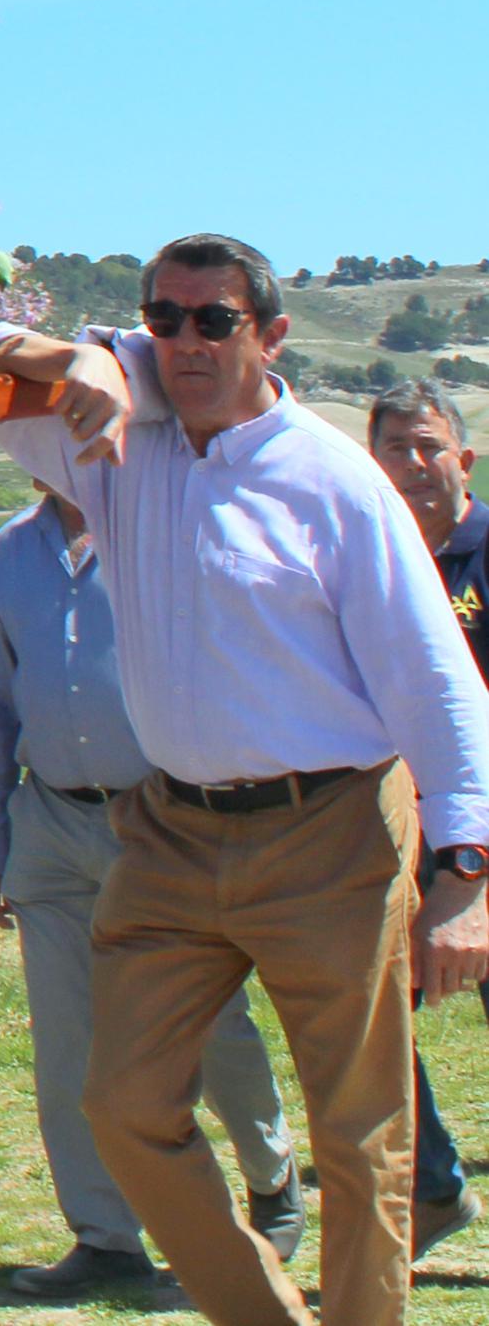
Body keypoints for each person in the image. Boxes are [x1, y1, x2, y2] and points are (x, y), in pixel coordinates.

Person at [0, 237, 489, 1326]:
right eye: (160, 319)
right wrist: (77, 355)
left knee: (357, 1135)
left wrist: (465, 872)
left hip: (331, 828)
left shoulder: (333, 479)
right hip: (168, 830)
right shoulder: (107, 441)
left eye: (212, 320)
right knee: (119, 1105)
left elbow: (434, 683)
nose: (185, 342)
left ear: (269, 333)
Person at [0, 483, 303, 1295]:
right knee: (67, 1043)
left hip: (160, 822)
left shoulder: (161, 528)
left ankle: (270, 1171)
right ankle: (106, 1236)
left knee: (208, 1020)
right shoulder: (10, 548)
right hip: (47, 822)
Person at [366, 382, 485, 1257]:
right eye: (392, 448)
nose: (410, 465)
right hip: (392, 836)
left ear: (463, 457)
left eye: (425, 444)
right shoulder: (371, 558)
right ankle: (435, 1189)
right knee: (370, 1026)